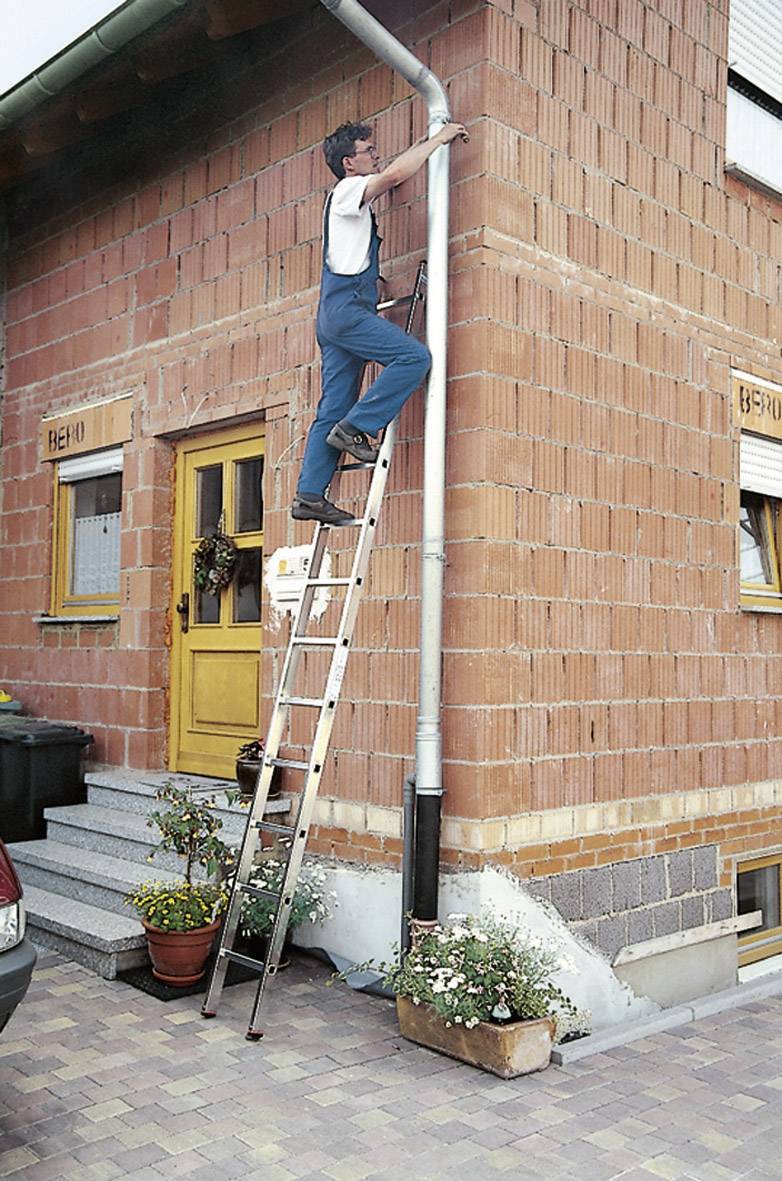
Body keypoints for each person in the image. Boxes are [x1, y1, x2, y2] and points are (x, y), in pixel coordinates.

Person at [292, 118, 468, 526]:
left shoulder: (347, 202)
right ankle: (357, 428)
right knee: (413, 358)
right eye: (368, 150)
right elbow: (393, 175)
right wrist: (438, 139)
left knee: (332, 405)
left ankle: (309, 495)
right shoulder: (348, 190)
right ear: (349, 163)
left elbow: (350, 256)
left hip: (339, 312)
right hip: (348, 312)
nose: (376, 155)